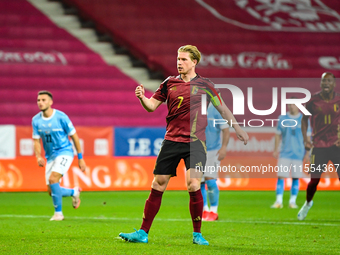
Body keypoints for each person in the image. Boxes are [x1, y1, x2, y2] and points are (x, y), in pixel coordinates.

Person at [119, 45, 248, 245]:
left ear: (194, 62)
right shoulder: (168, 83)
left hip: (195, 143)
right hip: (171, 140)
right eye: (178, 59)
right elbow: (152, 107)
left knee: (194, 183)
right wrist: (142, 98)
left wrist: (238, 129)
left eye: (184, 59)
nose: (179, 63)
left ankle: (197, 234)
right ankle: (143, 233)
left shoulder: (206, 85)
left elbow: (223, 109)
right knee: (158, 183)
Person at [32, 91, 86, 221]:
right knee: (51, 191)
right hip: (50, 156)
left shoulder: (61, 117)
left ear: (50, 102)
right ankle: (74, 192)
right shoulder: (36, 120)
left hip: (65, 152)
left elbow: (74, 136)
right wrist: (38, 156)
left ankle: (58, 214)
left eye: (44, 100)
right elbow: (36, 140)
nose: (40, 102)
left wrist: (80, 157)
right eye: (38, 100)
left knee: (53, 179)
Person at [298, 72, 340, 220]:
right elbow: (304, 120)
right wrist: (305, 139)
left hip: (337, 146)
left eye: (329, 81)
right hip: (319, 146)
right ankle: (308, 203)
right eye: (323, 81)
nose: (326, 84)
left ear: (334, 83)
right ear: (321, 83)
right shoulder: (313, 101)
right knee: (314, 180)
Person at [271, 102, 311, 209]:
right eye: (289, 104)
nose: (291, 106)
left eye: (293, 104)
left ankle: (292, 201)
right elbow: (277, 135)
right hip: (284, 153)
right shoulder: (283, 118)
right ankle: (279, 201)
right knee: (281, 176)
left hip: (298, 154)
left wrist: (307, 153)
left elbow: (308, 138)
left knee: (295, 178)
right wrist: (276, 149)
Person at [201, 103, 230, 221]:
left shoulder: (216, 110)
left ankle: (214, 210)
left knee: (210, 180)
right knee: (198, 183)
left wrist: (224, 147)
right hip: (197, 150)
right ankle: (204, 210)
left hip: (213, 150)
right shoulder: (193, 107)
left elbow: (226, 130)